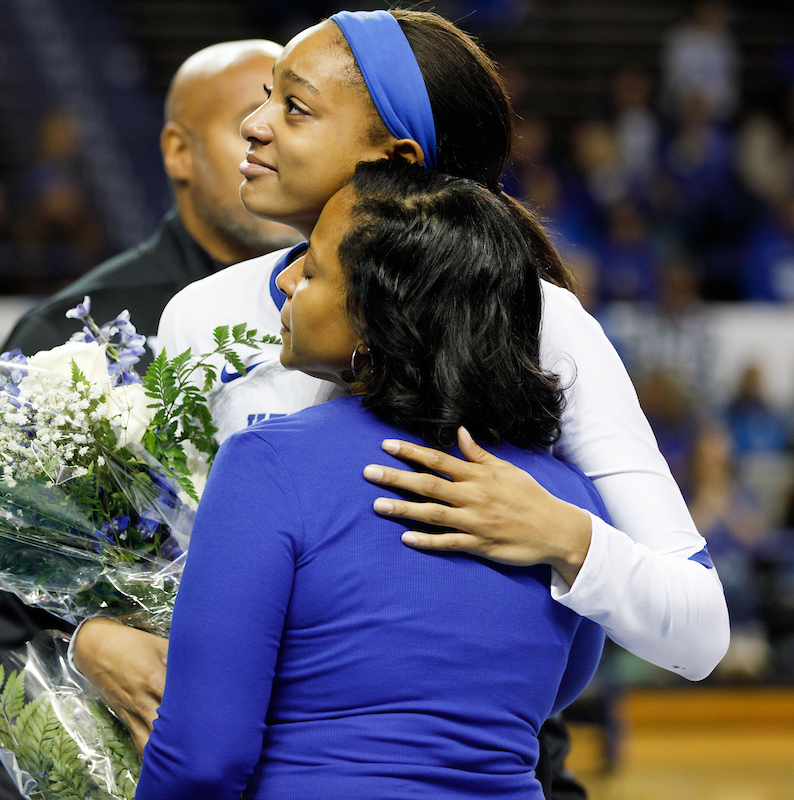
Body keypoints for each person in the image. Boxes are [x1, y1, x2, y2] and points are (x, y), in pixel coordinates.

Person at [78, 9, 728, 797]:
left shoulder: (544, 322)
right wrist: (92, 637)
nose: (251, 127)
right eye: (263, 97)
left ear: (397, 161)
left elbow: (699, 630)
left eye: (295, 107)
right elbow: (171, 575)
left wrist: (561, 533)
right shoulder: (200, 313)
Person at [137, 159, 606, 799]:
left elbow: (202, 757)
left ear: (378, 318)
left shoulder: (264, 465)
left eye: (316, 267)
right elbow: (559, 688)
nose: (289, 278)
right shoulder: (572, 500)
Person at [0, 39, 302, 800]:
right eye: (249, 119)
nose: (273, 137)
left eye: (294, 114)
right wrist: (77, 652)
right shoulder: (71, 337)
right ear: (178, 150)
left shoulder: (365, 316)